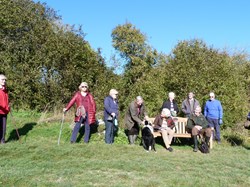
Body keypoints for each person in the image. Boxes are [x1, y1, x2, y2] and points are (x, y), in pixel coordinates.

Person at [0, 74, 10, 144]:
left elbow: (6, 100)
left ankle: (2, 140)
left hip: (5, 111)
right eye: (2, 79)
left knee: (3, 127)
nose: (4, 81)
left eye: (5, 80)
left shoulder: (5, 90)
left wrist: (8, 105)